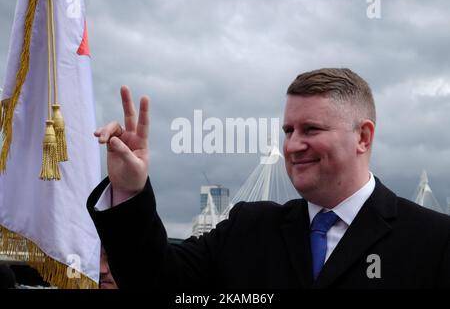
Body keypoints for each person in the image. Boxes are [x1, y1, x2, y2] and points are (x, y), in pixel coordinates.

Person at [87, 68, 450, 288]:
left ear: (363, 136)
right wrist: (129, 191)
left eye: (310, 129)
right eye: (288, 130)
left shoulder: (434, 242)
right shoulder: (248, 229)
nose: (292, 145)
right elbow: (157, 283)